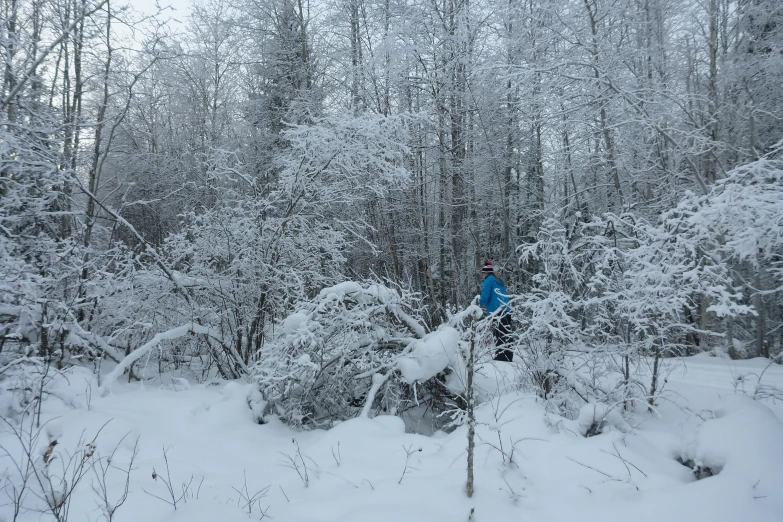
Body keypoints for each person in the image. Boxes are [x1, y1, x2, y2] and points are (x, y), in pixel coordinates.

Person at [479, 260, 513, 362]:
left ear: (486, 273)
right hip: (506, 310)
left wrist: (476, 306)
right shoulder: (498, 280)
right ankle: (508, 356)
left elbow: (485, 296)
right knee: (507, 334)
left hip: (497, 311)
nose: (482, 275)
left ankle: (501, 358)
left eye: (483, 273)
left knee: (499, 334)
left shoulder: (488, 280)